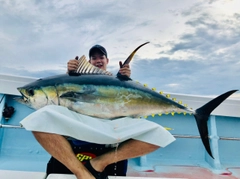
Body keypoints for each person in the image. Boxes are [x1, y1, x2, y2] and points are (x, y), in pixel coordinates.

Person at [30, 45, 175, 179]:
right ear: (89, 62)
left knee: (160, 134)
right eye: (94, 58)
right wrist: (69, 74)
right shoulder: (75, 78)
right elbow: (63, 100)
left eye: (101, 57)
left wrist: (126, 80)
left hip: (111, 130)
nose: (98, 60)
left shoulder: (118, 80)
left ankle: (99, 163)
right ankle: (83, 173)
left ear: (107, 60)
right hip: (81, 128)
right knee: (37, 120)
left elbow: (130, 102)